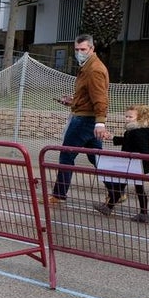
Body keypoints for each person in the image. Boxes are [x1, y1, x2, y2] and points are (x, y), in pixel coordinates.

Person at [50, 33, 109, 202]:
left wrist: (100, 122)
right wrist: (73, 101)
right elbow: (88, 96)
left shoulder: (94, 69)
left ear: (92, 48)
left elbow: (100, 98)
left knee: (66, 155)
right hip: (87, 118)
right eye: (77, 49)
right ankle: (116, 191)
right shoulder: (87, 66)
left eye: (83, 49)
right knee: (95, 157)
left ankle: (58, 194)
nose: (79, 53)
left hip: (84, 120)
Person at [93, 104, 149, 221]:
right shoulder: (133, 130)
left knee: (136, 189)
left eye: (130, 117)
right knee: (123, 186)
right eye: (126, 116)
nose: (127, 119)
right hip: (130, 164)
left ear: (139, 118)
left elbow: (144, 148)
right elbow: (127, 141)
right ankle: (110, 208)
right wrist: (112, 137)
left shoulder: (138, 132)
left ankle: (143, 213)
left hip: (136, 164)